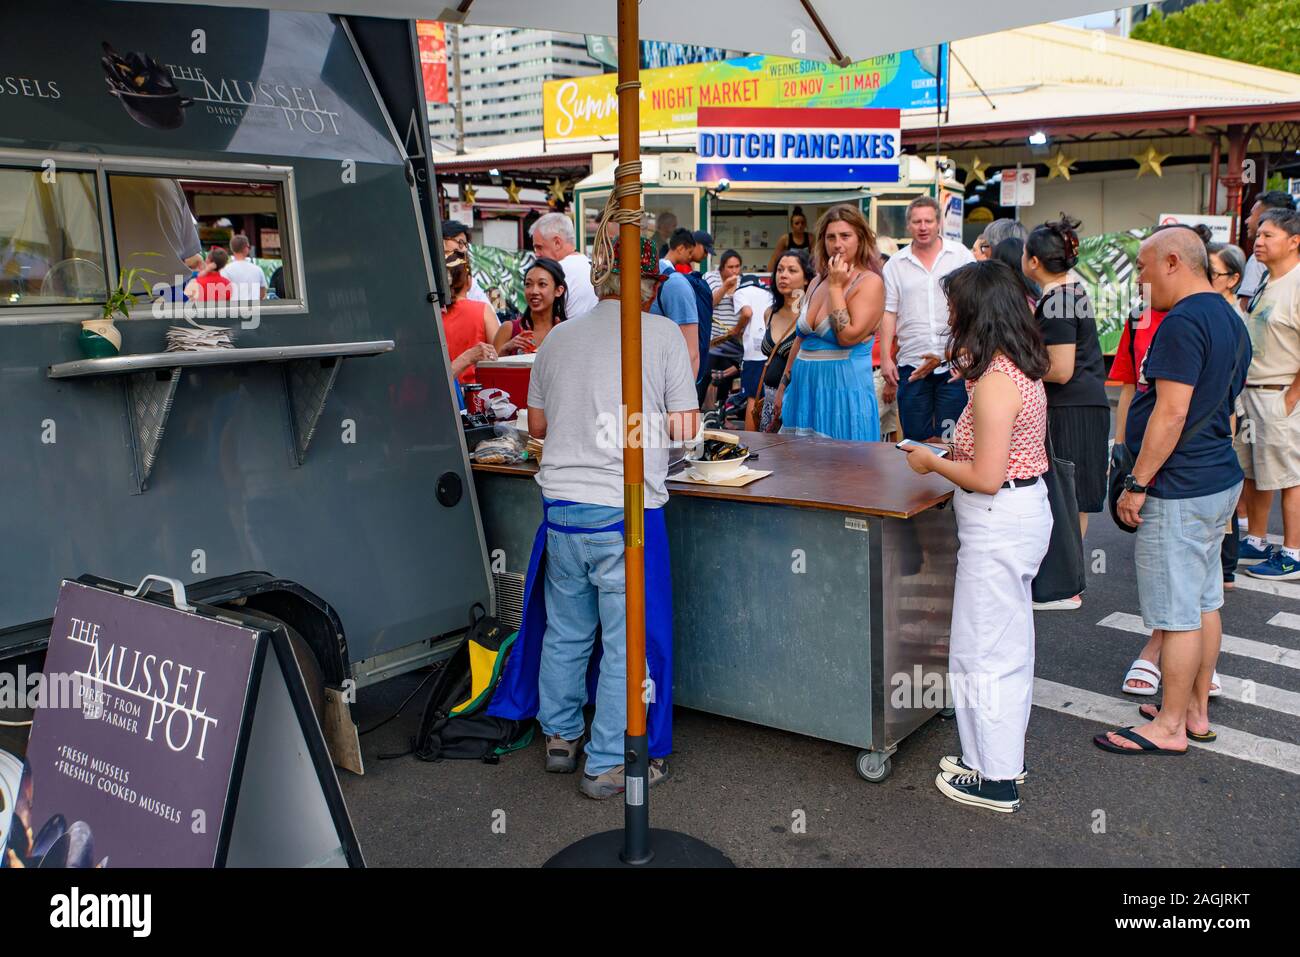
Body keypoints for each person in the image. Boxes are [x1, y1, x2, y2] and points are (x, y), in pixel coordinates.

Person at [487, 235, 699, 799]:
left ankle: (559, 737)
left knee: (567, 631)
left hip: (560, 507)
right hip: (626, 508)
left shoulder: (558, 338)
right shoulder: (659, 336)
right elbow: (685, 431)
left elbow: (536, 426)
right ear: (651, 287)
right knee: (627, 643)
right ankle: (608, 762)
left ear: (599, 282)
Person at [901, 259, 1052, 813]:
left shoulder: (994, 384)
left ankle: (994, 779)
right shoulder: (1018, 367)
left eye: (954, 307)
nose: (948, 316)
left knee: (981, 650)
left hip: (998, 515)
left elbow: (986, 477)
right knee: (1003, 644)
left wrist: (931, 462)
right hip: (1020, 510)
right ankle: (995, 758)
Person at [1097, 226, 1249, 758]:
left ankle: (1168, 726)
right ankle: (1194, 710)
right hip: (1217, 479)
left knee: (1177, 613)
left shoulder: (1183, 321)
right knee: (1205, 601)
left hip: (1181, 485)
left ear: (1170, 262)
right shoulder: (1230, 316)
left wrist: (1137, 481)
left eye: (1141, 267)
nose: (1140, 279)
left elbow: (1172, 409)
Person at [1021, 214, 1109, 611]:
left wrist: (1015, 361)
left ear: (1034, 261)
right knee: (1074, 495)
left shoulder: (1057, 300)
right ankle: (1068, 580)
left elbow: (1059, 369)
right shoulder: (1072, 292)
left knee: (1065, 493)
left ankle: (1064, 584)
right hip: (1085, 404)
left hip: (1070, 406)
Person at [777, 205, 884, 442]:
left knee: (843, 472)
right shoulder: (816, 281)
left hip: (842, 393)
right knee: (801, 470)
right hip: (803, 391)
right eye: (830, 237)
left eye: (845, 236)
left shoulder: (869, 282)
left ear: (860, 239)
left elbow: (847, 336)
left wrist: (836, 287)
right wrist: (784, 384)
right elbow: (800, 338)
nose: (837, 244)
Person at [1236, 208, 1300, 581]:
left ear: (1294, 242)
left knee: (1289, 476)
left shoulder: (1295, 283)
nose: (1258, 241)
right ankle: (1257, 539)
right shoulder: (1266, 280)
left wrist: (1291, 397)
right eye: (1258, 235)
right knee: (1256, 472)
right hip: (1253, 392)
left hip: (1279, 392)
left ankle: (1293, 552)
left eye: (1269, 235)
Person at [879, 196, 976, 442]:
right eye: (917, 221)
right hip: (912, 365)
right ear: (908, 226)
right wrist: (885, 359)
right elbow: (889, 311)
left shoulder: (960, 255)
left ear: (938, 223)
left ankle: (951, 482)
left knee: (952, 438)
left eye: (928, 221)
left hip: (955, 363)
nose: (923, 227)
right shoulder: (895, 264)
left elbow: (977, 305)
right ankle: (918, 482)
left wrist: (974, 350)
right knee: (914, 438)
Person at [754, 250, 811, 433]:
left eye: (792, 270)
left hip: (796, 399)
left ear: (806, 279)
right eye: (780, 270)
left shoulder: (809, 316)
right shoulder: (769, 313)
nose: (783, 275)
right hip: (768, 400)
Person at [440, 251, 500, 384]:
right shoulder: (483, 310)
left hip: (445, 389)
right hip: (476, 394)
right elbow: (497, 354)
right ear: (469, 280)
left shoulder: (437, 316)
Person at [701, 249, 749, 407]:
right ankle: (698, 413)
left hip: (733, 340)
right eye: (730, 267)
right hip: (713, 339)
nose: (734, 271)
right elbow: (709, 303)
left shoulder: (742, 282)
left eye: (737, 266)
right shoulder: (710, 277)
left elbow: (746, 310)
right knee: (705, 376)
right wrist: (724, 287)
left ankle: (721, 416)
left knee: (726, 381)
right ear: (721, 267)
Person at [651, 227, 701, 378]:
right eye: (689, 252)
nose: (690, 257)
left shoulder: (663, 274)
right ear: (680, 249)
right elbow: (691, 351)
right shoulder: (674, 281)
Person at [528, 212, 597, 319]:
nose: (536, 253)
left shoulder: (556, 272)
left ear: (557, 243)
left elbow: (540, 323)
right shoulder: (588, 265)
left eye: (539, 247)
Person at [493, 258, 567, 356]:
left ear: (558, 290)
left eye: (542, 284)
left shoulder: (567, 331)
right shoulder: (509, 329)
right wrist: (506, 349)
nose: (534, 291)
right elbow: (491, 369)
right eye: (528, 284)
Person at [1237, 190, 1296, 309]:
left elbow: (1245, 306)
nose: (1247, 220)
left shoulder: (1261, 257)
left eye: (1252, 215)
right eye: (1259, 236)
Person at [441, 220, 491, 305]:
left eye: (465, 244)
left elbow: (488, 312)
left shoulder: (467, 279)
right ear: (442, 240)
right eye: (460, 242)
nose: (464, 249)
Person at [220, 233, 267, 303]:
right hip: (254, 309)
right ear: (246, 249)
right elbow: (262, 293)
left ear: (232, 249)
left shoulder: (225, 270)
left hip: (234, 310)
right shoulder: (257, 270)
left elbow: (223, 292)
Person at [767, 206, 812, 272]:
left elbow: (815, 258)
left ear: (805, 224)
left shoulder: (810, 238)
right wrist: (768, 275)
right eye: (797, 223)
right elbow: (774, 258)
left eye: (802, 223)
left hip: (805, 271)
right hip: (790, 271)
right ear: (792, 225)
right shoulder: (785, 239)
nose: (800, 226)